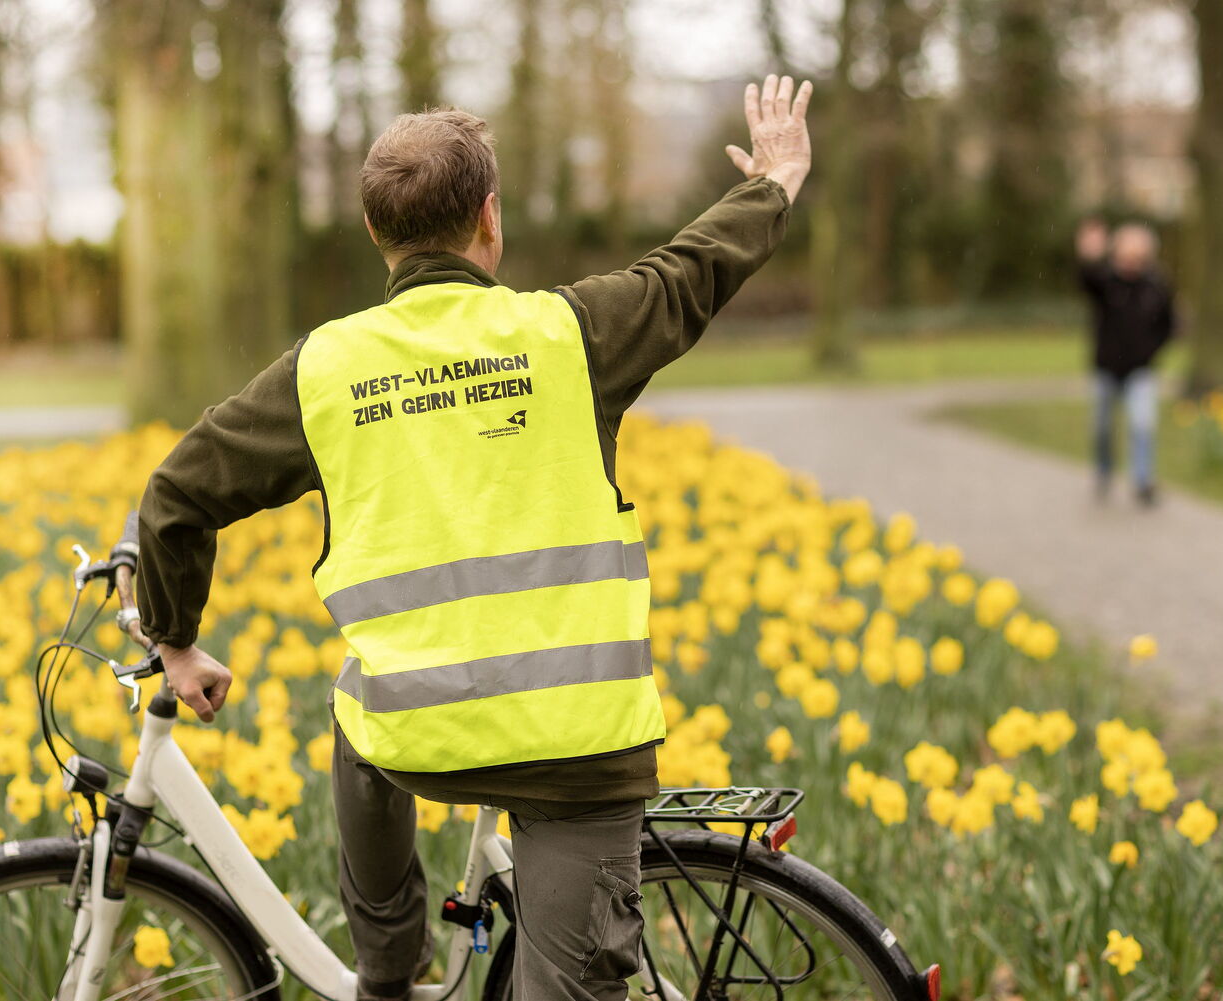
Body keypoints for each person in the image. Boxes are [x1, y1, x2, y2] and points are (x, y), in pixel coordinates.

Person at [133, 74, 813, 1001]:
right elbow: (691, 271)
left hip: (423, 736)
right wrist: (772, 181)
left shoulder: (327, 370)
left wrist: (174, 638)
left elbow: (176, 495)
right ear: (489, 218)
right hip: (583, 754)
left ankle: (386, 972)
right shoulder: (570, 334)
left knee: (355, 709)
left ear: (378, 233)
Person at [1075, 219, 1176, 506]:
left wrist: (1151, 352)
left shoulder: (1157, 284)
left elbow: (1169, 325)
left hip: (1140, 370)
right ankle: (1104, 472)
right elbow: (1086, 281)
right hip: (1106, 369)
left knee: (1142, 425)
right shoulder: (1105, 281)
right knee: (1103, 428)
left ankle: (1142, 481)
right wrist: (1089, 255)